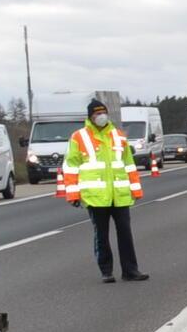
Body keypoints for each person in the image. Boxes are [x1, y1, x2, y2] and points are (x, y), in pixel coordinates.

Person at [57, 98, 148, 282]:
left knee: (125, 233)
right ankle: (106, 271)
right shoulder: (79, 137)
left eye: (103, 113)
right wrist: (73, 194)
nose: (101, 116)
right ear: (90, 116)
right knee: (101, 235)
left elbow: (129, 164)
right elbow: (71, 166)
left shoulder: (118, 135)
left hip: (119, 194)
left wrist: (135, 189)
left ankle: (131, 270)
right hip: (95, 196)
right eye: (97, 114)